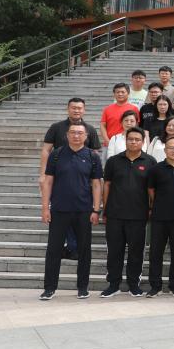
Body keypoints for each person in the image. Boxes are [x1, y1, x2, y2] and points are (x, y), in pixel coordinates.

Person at [39, 123, 102, 300]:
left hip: (84, 210)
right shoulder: (57, 154)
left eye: (80, 133)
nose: (76, 135)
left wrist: (96, 210)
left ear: (86, 136)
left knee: (84, 251)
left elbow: (96, 184)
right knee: (53, 250)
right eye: (73, 132)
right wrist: (45, 208)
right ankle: (49, 288)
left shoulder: (92, 156)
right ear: (67, 135)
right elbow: (48, 181)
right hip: (59, 210)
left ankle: (83, 287)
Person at [40, 98, 102, 261]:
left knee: (78, 213)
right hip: (59, 175)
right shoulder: (56, 127)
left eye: (79, 108)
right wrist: (43, 174)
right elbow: (46, 150)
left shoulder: (89, 129)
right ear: (68, 109)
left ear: (84, 110)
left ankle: (73, 247)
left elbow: (95, 153)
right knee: (61, 209)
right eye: (73, 108)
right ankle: (67, 246)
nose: (76, 110)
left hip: (82, 177)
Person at [100, 127, 155, 298]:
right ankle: (113, 284)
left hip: (138, 215)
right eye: (130, 139)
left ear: (143, 142)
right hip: (115, 213)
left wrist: (151, 208)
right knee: (114, 251)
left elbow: (151, 189)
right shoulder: (113, 161)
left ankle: (133, 285)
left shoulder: (150, 162)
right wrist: (105, 208)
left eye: (137, 139)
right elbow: (107, 185)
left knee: (136, 252)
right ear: (126, 140)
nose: (133, 142)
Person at [145, 137, 174, 297]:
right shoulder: (156, 169)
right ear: (165, 150)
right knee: (155, 253)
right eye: (171, 148)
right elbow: (151, 190)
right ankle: (155, 286)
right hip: (159, 217)